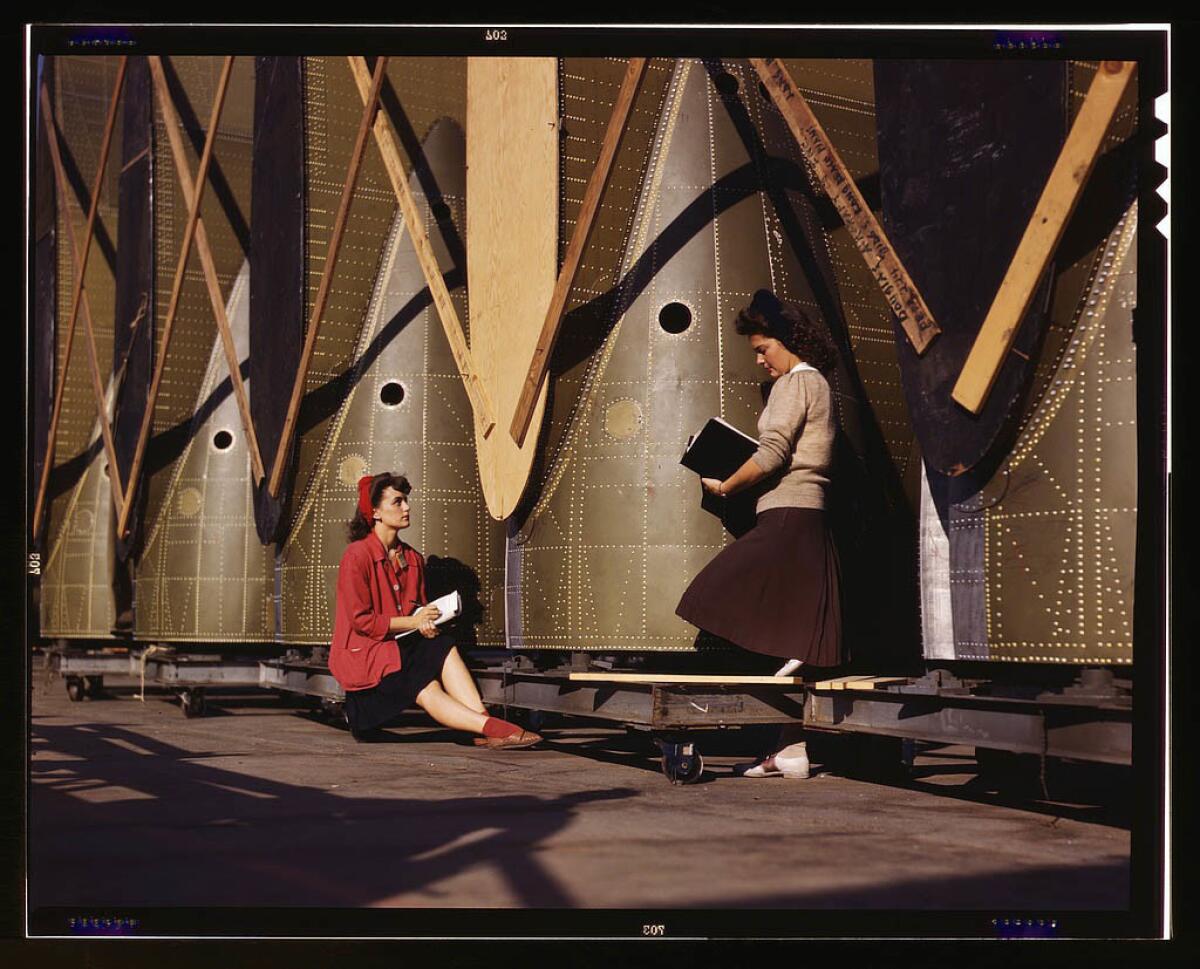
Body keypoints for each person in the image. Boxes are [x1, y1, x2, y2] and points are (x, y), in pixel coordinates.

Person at [675, 289, 843, 778]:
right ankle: (790, 749)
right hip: (802, 516)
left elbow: (772, 453)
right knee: (788, 633)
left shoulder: (797, 382)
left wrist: (723, 483)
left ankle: (793, 655)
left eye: (762, 348)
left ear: (789, 341)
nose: (760, 360)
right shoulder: (818, 385)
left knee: (707, 596)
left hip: (789, 516)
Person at [329, 471, 541, 749]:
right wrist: (414, 622)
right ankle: (493, 727)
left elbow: (416, 613)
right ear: (376, 512)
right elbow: (362, 622)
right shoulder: (357, 556)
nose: (406, 508)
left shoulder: (413, 559)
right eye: (397, 502)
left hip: (398, 654)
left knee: (442, 644)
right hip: (370, 672)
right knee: (424, 684)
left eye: (406, 501)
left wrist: (426, 622)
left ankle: (487, 726)